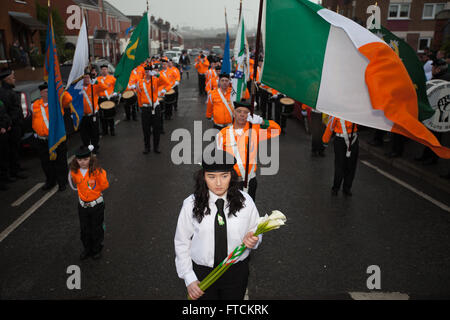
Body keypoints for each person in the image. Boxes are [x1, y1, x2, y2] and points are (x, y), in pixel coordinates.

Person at [174, 148, 261, 300]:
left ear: (231, 177)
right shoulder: (190, 204)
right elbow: (182, 242)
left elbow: (256, 230)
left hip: (236, 273)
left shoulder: (246, 202)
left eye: (224, 176)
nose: (219, 183)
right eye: (211, 177)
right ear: (203, 178)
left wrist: (254, 239)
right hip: (202, 274)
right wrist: (189, 277)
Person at [216, 101, 281, 201]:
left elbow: (277, 130)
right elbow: (219, 159)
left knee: (249, 212)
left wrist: (262, 122)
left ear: (250, 115)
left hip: (249, 180)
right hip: (231, 182)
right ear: (234, 113)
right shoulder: (223, 134)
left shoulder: (255, 130)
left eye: (246, 112)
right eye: (239, 111)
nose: (242, 114)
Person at [69, 145, 109, 260]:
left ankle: (96, 249)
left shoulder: (97, 170)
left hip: (96, 205)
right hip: (82, 206)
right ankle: (87, 249)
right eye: (80, 160)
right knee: (84, 229)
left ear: (90, 159)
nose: (82, 162)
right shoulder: (74, 171)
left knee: (96, 228)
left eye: (85, 159)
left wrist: (95, 186)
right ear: (76, 160)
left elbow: (105, 185)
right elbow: (76, 184)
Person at [32, 82, 72, 191]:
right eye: (46, 91)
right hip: (42, 140)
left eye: (50, 91)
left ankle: (62, 182)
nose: (48, 93)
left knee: (61, 161)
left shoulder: (57, 103)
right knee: (46, 163)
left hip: (57, 139)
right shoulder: (35, 105)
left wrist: (61, 90)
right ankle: (50, 181)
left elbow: (68, 100)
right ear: (41, 93)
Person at [0, 69, 27, 180]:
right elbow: (5, 112)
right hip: (11, 126)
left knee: (16, 148)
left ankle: (16, 167)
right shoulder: (4, 93)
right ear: (7, 79)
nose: (14, 79)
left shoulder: (10, 91)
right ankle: (12, 171)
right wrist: (8, 124)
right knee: (11, 150)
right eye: (12, 77)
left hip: (16, 125)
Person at [322, 116, 358, 196]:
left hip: (353, 139)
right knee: (340, 165)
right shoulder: (336, 111)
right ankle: (336, 188)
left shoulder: (355, 109)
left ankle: (347, 188)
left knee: (351, 165)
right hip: (340, 140)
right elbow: (330, 126)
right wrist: (325, 140)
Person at [136, 65, 164, 154]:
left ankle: (156, 147)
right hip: (145, 108)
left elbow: (165, 82)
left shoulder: (155, 80)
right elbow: (139, 95)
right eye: (146, 71)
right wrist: (141, 106)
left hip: (155, 107)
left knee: (156, 128)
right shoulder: (140, 82)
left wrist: (157, 74)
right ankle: (147, 147)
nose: (147, 73)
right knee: (146, 129)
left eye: (149, 71)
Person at [80, 70, 108, 154]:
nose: (86, 79)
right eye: (84, 78)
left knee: (94, 132)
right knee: (84, 134)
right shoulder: (78, 89)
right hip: (82, 116)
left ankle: (95, 147)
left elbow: (104, 87)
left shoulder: (94, 86)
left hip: (93, 115)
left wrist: (95, 80)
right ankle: (87, 147)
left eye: (88, 77)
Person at [97, 65, 117, 136]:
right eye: (102, 69)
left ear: (107, 70)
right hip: (101, 99)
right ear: (101, 71)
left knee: (111, 115)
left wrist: (116, 92)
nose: (104, 70)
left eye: (105, 69)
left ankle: (112, 130)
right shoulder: (98, 79)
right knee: (102, 116)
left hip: (110, 98)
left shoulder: (112, 78)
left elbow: (118, 86)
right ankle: (104, 131)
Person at [0, 99, 11, 190]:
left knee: (4, 156)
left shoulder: (1, 102)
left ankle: (5, 177)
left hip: (4, 133)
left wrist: (7, 124)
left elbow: (4, 115)